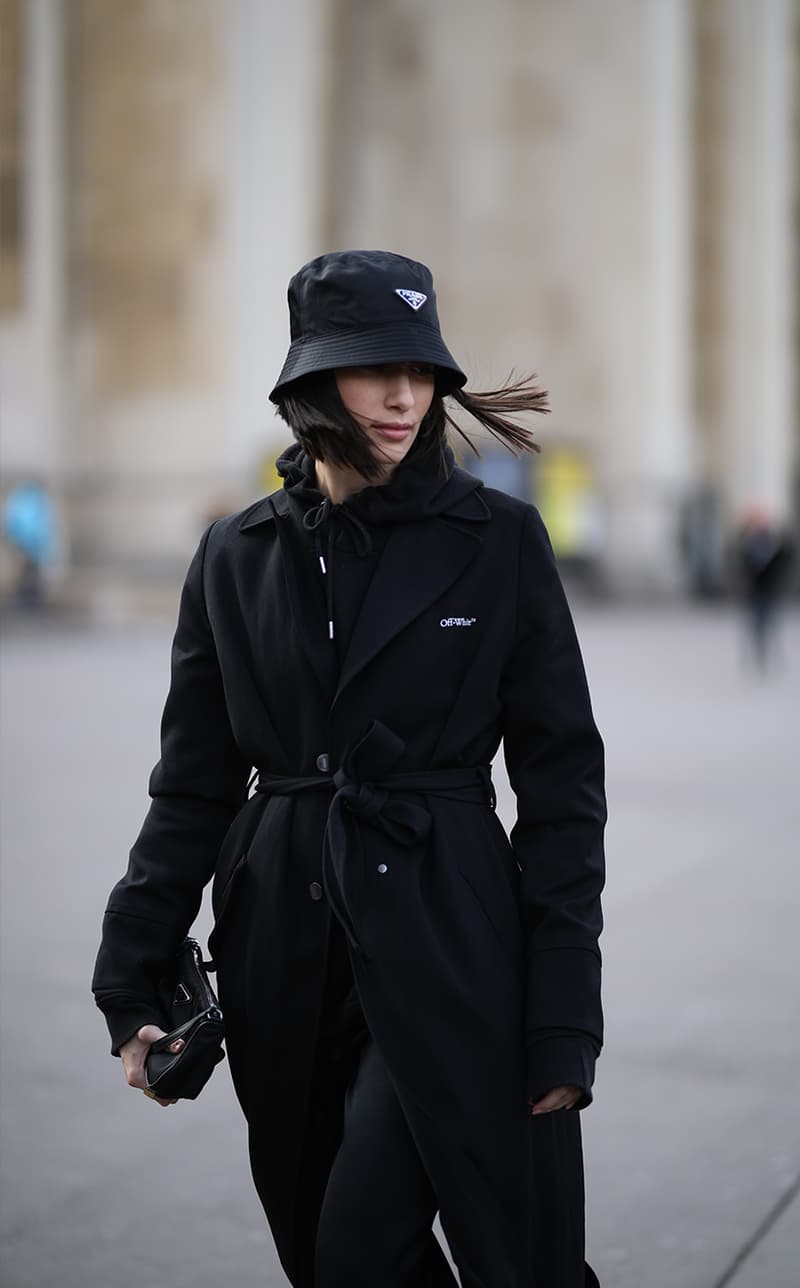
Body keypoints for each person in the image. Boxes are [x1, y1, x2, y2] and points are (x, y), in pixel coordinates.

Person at [93, 250, 606, 1288]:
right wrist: (132, 961)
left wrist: (563, 1009)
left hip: (449, 933)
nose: (405, 396)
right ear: (311, 379)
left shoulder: (497, 541)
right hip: (279, 939)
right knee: (320, 1251)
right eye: (377, 368)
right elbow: (192, 782)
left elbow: (561, 788)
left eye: (420, 369)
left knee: (371, 1245)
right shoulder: (233, 555)